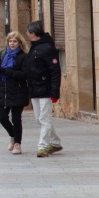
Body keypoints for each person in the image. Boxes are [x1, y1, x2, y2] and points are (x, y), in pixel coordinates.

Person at [25, 20, 63, 158]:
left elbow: (55, 71)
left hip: (45, 89)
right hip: (35, 89)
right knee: (39, 118)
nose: (27, 35)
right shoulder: (33, 48)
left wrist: (54, 92)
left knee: (44, 118)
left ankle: (42, 146)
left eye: (28, 32)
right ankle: (56, 142)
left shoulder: (47, 48)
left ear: (33, 33)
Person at [0, 32, 30, 155]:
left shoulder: (23, 57)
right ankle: (13, 135)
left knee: (16, 118)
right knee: (2, 117)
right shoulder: (3, 54)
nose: (12, 44)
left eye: (14, 41)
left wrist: (7, 71)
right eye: (10, 41)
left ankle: (17, 144)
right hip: (3, 91)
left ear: (20, 43)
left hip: (18, 91)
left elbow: (24, 75)